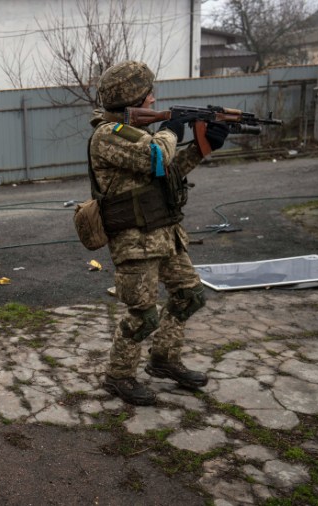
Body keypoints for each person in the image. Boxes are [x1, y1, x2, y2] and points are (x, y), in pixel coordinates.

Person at [89, 61, 229, 406]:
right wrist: (172, 130)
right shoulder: (107, 136)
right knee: (144, 314)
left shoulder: (139, 132)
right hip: (135, 241)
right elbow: (155, 157)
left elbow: (167, 172)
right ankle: (118, 376)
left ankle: (164, 359)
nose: (153, 98)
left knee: (189, 295)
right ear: (132, 97)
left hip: (166, 233)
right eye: (148, 92)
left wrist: (202, 147)